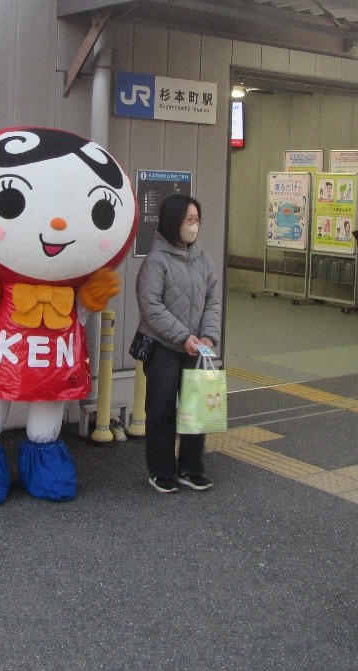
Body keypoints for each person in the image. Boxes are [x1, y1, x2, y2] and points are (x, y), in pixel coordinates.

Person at [135, 193, 222, 494]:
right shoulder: (156, 261)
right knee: (162, 410)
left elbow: (213, 301)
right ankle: (161, 471)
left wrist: (208, 336)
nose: (195, 226)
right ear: (174, 222)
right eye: (189, 220)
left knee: (197, 407)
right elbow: (151, 305)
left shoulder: (204, 259)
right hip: (163, 347)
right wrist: (183, 337)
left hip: (198, 347)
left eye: (197, 220)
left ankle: (192, 468)